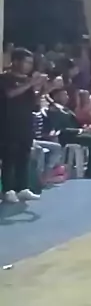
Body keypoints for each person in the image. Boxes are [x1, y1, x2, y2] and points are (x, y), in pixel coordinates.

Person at [1, 49, 47, 202]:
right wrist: (31, 83)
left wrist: (45, 90)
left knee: (24, 156)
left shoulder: (27, 81)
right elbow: (9, 94)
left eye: (31, 63)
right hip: (8, 125)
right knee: (9, 157)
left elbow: (34, 105)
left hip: (26, 124)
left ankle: (23, 188)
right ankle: (8, 190)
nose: (29, 66)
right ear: (15, 61)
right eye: (26, 62)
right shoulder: (4, 78)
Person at [47, 88, 91, 179]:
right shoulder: (54, 110)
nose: (67, 97)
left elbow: (76, 123)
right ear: (56, 97)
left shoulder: (66, 108)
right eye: (64, 95)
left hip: (76, 133)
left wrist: (87, 128)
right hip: (66, 136)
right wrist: (81, 131)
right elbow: (60, 129)